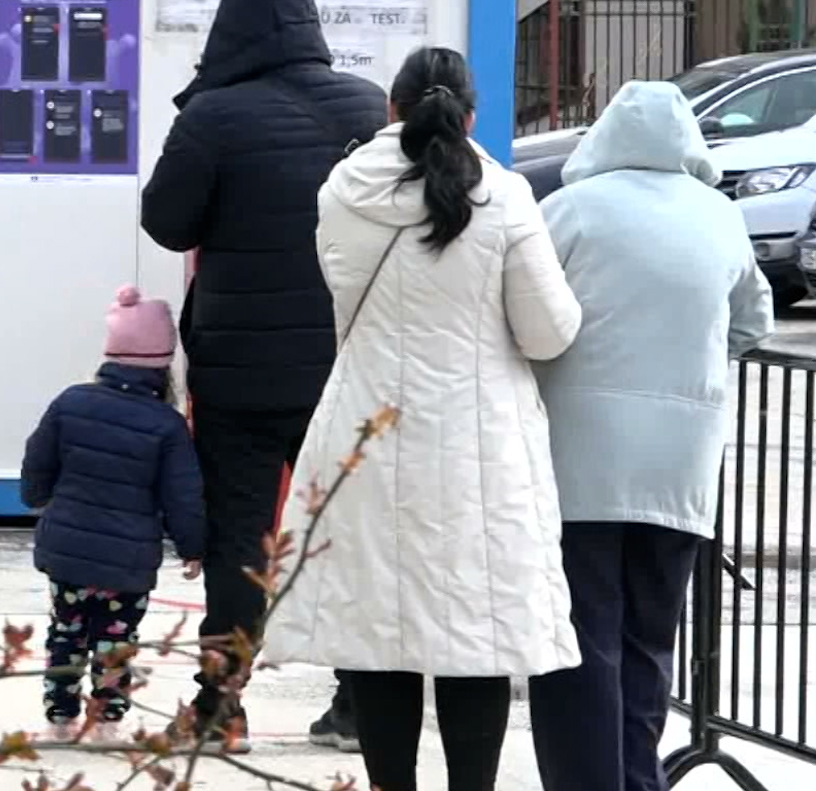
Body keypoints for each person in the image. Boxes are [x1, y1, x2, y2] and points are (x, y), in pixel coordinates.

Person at [262, 47, 584, 791]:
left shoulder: (341, 193)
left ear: (391, 111)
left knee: (380, 632)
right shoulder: (503, 197)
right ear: (472, 115)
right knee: (479, 631)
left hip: (365, 434)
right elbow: (548, 331)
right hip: (480, 448)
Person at [139, 0, 385, 748]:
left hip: (240, 371)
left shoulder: (213, 116)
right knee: (347, 526)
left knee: (241, 532)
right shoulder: (369, 105)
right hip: (349, 360)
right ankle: (358, 702)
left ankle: (221, 707)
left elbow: (167, 223)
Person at [527, 81, 774, 791]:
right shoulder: (720, 216)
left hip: (579, 460)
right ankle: (639, 777)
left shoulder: (568, 211)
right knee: (649, 639)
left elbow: (529, 312)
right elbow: (753, 320)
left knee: (580, 637)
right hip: (681, 463)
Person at [20, 286, 206, 732]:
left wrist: (37, 497)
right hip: (129, 561)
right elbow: (182, 494)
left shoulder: (71, 402)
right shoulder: (167, 424)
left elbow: (37, 461)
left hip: (67, 550)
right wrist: (192, 546)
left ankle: (60, 715)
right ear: (164, 366)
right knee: (116, 638)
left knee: (66, 632)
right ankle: (106, 718)